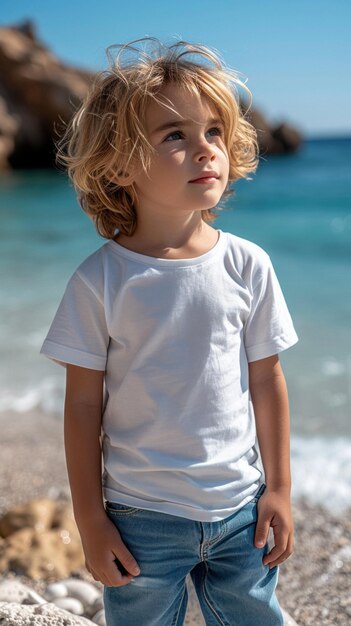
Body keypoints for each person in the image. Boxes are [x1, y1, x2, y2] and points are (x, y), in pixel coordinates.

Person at [40, 38, 299, 626]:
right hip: (140, 517)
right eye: (175, 136)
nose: (205, 150)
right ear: (119, 165)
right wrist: (91, 519)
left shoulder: (247, 264)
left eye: (213, 132)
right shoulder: (101, 280)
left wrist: (279, 489)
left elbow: (268, 380)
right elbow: (82, 406)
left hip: (241, 506)